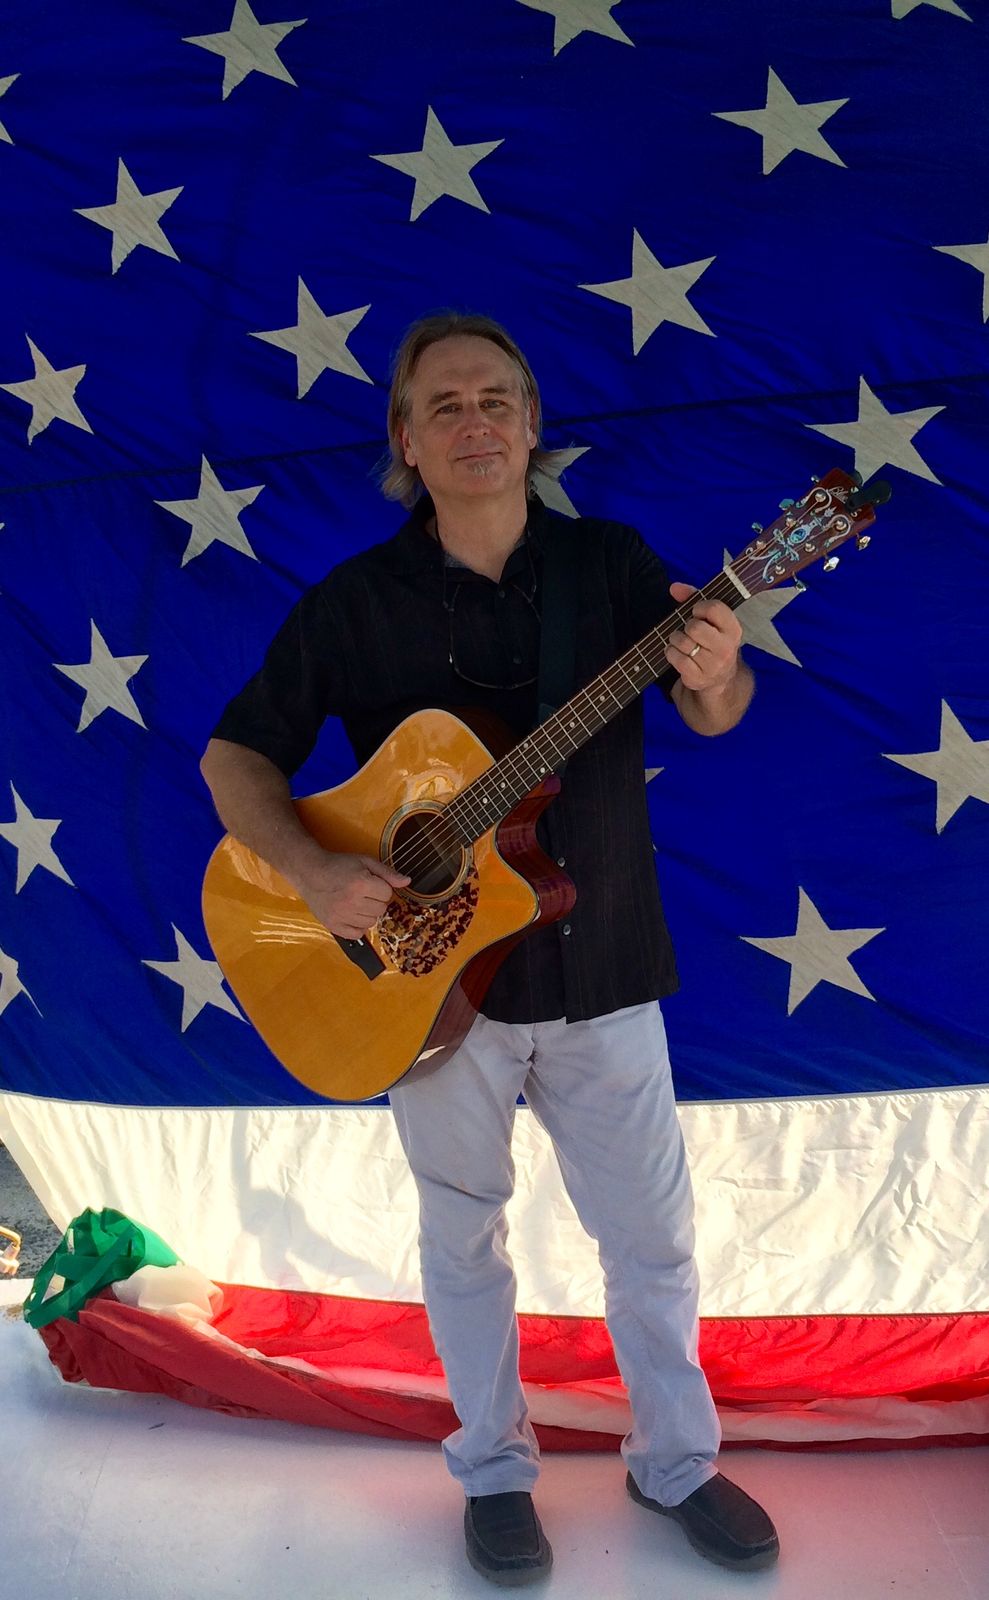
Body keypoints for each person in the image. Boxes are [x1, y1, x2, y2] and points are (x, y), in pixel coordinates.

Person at [200, 311, 778, 1586]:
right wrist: (312, 872)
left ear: (530, 424)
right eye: (445, 404)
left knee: (652, 1240)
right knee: (462, 1238)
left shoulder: (608, 567)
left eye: (496, 399)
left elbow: (716, 711)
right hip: (423, 989)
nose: (475, 422)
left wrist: (714, 669)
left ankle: (674, 1460)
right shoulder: (353, 603)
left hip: (604, 961)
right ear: (405, 440)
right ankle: (493, 1469)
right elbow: (233, 757)